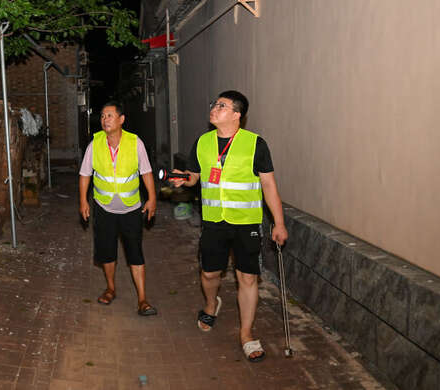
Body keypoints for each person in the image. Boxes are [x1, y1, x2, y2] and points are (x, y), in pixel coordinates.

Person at [169, 90, 288, 362]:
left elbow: (268, 185)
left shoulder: (255, 144)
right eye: (214, 104)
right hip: (214, 222)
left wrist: (279, 223)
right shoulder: (203, 142)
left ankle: (246, 334)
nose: (214, 108)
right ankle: (211, 305)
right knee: (210, 273)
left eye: (221, 106)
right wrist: (182, 179)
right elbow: (193, 177)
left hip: (246, 223)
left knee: (247, 278)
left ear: (237, 114)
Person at [79, 101, 158, 316]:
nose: (105, 120)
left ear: (121, 119)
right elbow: (85, 174)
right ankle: (110, 288)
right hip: (103, 207)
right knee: (107, 252)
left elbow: (146, 172)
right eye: (103, 116)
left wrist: (152, 198)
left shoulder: (135, 143)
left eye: (110, 115)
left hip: (131, 208)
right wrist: (83, 201)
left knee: (135, 253)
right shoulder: (95, 144)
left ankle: (142, 299)